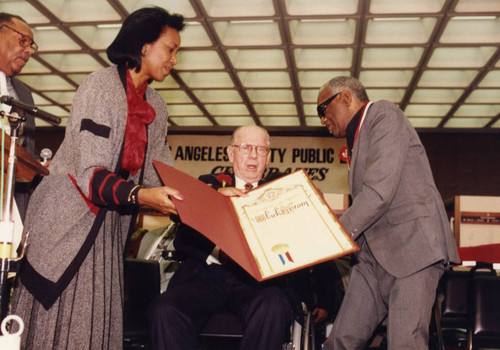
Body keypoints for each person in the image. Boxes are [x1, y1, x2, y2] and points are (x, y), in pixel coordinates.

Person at [10, 7, 185, 349]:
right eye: (171, 48)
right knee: (63, 326)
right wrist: (142, 197)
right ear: (145, 46)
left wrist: (213, 198)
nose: (175, 60)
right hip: (65, 225)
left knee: (95, 324)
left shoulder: (157, 107)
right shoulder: (100, 86)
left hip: (107, 229)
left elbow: (160, 172)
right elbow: (93, 174)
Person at [317, 76, 460, 350]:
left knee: (404, 342)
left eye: (323, 110)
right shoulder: (357, 140)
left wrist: (331, 237)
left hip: (412, 251)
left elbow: (378, 193)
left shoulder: (384, 114)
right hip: (371, 258)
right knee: (339, 340)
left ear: (345, 98)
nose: (322, 119)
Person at [148, 125, 300, 350]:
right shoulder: (207, 185)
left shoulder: (281, 194)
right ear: (231, 153)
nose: (253, 155)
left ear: (268, 157)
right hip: (207, 276)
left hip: (257, 282)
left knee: (274, 305)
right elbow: (181, 232)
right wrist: (214, 200)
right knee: (164, 309)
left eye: (260, 149)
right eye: (246, 147)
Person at [0, 12, 38, 221]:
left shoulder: (24, 94)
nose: (28, 51)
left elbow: (26, 149)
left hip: (12, 206)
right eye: (22, 41)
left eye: (31, 46)